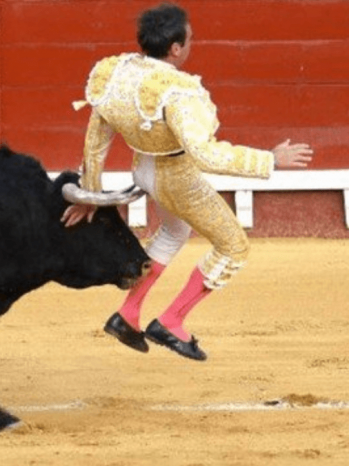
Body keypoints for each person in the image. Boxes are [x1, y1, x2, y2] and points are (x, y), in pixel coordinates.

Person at [61, 2, 313, 361]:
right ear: (176, 48)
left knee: (173, 232)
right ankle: (171, 321)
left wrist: (90, 190)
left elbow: (97, 137)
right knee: (233, 247)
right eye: (190, 39)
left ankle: (128, 315)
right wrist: (270, 159)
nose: (192, 44)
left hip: (143, 168)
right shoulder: (179, 91)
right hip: (176, 178)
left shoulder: (116, 71)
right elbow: (205, 154)